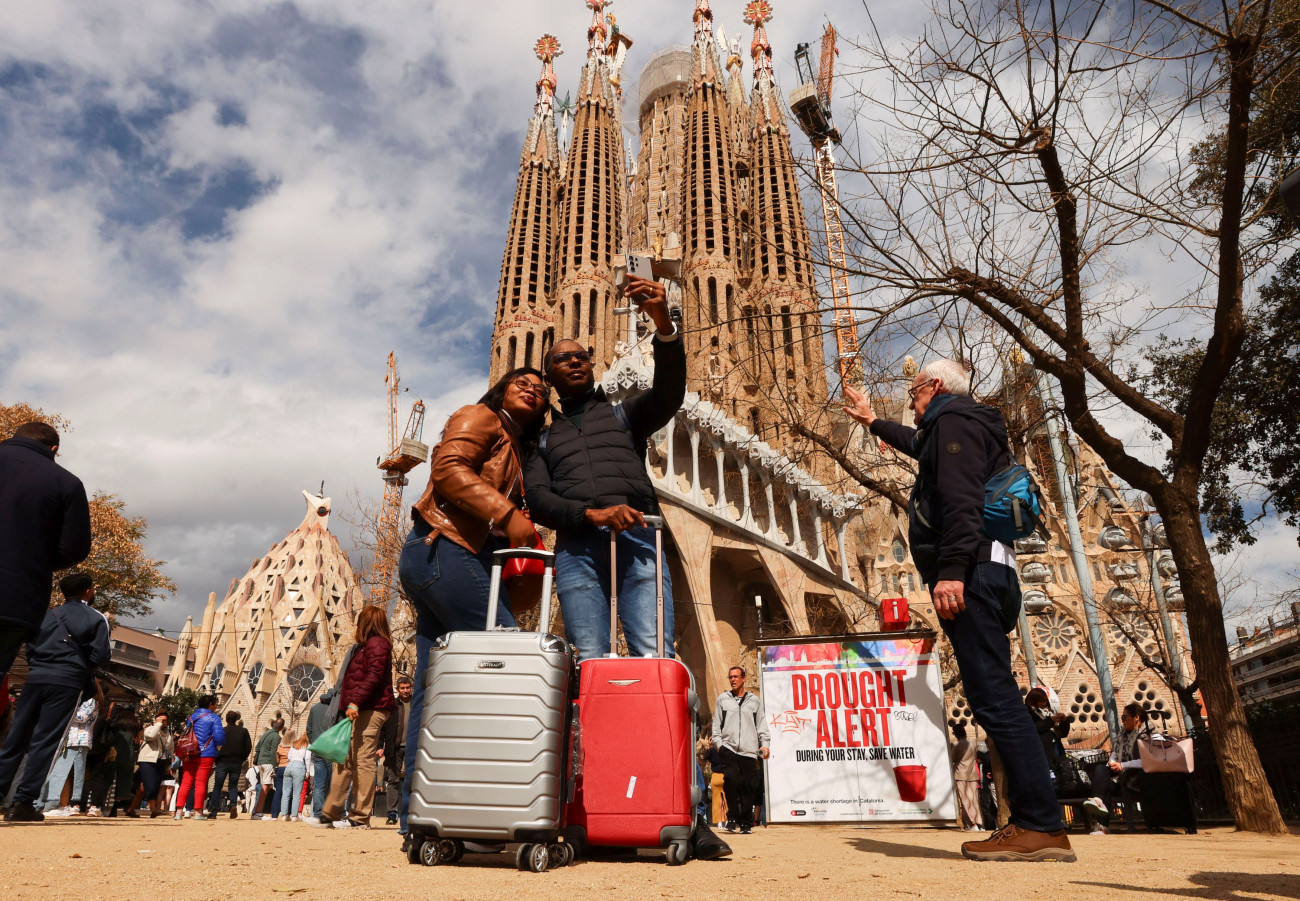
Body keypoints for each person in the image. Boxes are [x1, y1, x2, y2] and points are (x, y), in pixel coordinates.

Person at [522, 275, 730, 862]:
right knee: (589, 676)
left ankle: (685, 808)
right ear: (550, 376)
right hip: (580, 551)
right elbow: (538, 502)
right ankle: (586, 803)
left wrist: (664, 323)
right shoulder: (543, 442)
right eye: (564, 358)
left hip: (639, 539)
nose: (576, 362)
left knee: (657, 666)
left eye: (583, 356)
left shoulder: (620, 416)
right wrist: (588, 513)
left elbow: (668, 394)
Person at [844, 359, 1074, 863]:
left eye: (913, 390)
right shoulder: (958, 425)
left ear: (936, 386)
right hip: (987, 571)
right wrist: (872, 422)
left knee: (995, 699)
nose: (909, 399)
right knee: (993, 695)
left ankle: (1040, 824)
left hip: (971, 573)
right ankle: (1034, 822)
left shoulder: (954, 423)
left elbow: (961, 499)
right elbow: (924, 452)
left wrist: (950, 570)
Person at [396, 366, 550, 839]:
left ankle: (418, 817)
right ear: (500, 389)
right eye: (522, 382)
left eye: (542, 391)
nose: (533, 389)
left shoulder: (514, 446)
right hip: (445, 551)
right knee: (509, 663)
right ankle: (494, 806)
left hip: (437, 559)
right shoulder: (480, 416)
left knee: (434, 690)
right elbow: (446, 471)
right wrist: (507, 514)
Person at [0, 573, 110, 821]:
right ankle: (23, 802)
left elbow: (29, 647)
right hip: (68, 682)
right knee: (46, 742)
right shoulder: (96, 618)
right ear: (88, 592)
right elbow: (101, 655)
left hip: (36, 677)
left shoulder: (47, 615)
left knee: (16, 737)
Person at [0, 422, 92, 681]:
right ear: (53, 448)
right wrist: (33, 561)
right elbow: (74, 548)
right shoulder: (67, 483)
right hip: (14, 601)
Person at [315, 606, 394, 829]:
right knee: (345, 758)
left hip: (371, 708)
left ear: (365, 622)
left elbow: (374, 676)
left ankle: (360, 817)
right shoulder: (365, 646)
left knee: (363, 759)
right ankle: (330, 813)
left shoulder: (377, 644)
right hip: (361, 708)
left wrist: (355, 701)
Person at [712, 666, 769, 835]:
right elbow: (717, 725)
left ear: (744, 678)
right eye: (730, 677)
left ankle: (746, 823)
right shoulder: (723, 699)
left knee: (749, 785)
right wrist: (719, 744)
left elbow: (761, 724)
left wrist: (764, 744)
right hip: (728, 748)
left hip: (749, 750)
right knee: (731, 781)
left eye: (736, 677)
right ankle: (732, 819)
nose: (733, 680)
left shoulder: (754, 701)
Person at [1083, 703, 1152, 831]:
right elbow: (1115, 753)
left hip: (1138, 778)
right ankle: (1101, 821)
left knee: (1105, 784)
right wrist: (1113, 762)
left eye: (1125, 717)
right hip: (1122, 777)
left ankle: (1101, 823)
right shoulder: (1122, 735)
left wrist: (1122, 765)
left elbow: (1148, 761)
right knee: (1101, 771)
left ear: (1136, 718)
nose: (1123, 720)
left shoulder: (1148, 734)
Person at [40, 689, 100, 816]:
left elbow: (82, 718)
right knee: (62, 772)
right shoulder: (80, 700)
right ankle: (53, 803)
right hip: (68, 739)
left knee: (66, 773)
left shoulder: (91, 701)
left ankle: (57, 803)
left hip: (78, 740)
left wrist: (63, 710)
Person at [175, 694, 224, 821]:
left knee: (185, 781)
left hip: (190, 753)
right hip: (206, 753)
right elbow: (219, 737)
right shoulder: (214, 718)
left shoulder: (191, 718)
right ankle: (198, 812)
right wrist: (218, 748)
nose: (216, 706)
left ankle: (179, 811)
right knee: (201, 783)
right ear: (210, 705)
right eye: (215, 704)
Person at [87, 702, 141, 817]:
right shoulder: (137, 723)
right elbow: (138, 739)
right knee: (124, 783)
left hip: (113, 752)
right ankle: (117, 809)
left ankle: (100, 806)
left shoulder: (116, 721)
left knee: (106, 780)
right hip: (128, 755)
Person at [381, 675, 413, 826]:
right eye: (403, 688)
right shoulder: (392, 705)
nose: (405, 691)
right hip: (394, 748)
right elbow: (383, 727)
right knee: (393, 780)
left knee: (411, 780)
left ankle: (410, 812)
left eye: (408, 688)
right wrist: (380, 746)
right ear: (397, 689)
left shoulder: (417, 704)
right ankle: (392, 813)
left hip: (413, 748)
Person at [131, 712, 173, 818]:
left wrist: (168, 765)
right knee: (151, 784)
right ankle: (153, 809)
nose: (163, 722)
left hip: (160, 761)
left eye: (165, 720)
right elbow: (150, 736)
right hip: (147, 760)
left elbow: (170, 749)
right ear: (156, 720)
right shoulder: (150, 729)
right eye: (161, 719)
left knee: (144, 787)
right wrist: (157, 725)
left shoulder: (168, 732)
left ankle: (130, 809)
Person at [209, 710, 250, 818]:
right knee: (233, 785)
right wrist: (242, 758)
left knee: (218, 786)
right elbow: (248, 747)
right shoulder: (243, 731)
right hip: (236, 761)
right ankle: (233, 805)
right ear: (236, 719)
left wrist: (216, 759)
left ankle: (214, 811)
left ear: (226, 720)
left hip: (222, 761)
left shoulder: (221, 731)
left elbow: (214, 746)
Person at [306, 689, 337, 821]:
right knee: (331, 782)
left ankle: (318, 812)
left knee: (319, 783)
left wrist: (315, 743)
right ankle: (328, 812)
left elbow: (309, 729)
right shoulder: (335, 710)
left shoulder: (314, 709)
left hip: (318, 750)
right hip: (330, 750)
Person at [250, 714, 283, 820]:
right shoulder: (276, 736)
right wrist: (275, 766)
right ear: (281, 727)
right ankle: (258, 812)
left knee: (263, 785)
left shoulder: (266, 733)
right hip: (268, 763)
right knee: (266, 786)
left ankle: (257, 811)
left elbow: (257, 747)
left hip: (261, 762)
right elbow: (274, 751)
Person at [950, 723, 983, 831]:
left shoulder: (957, 745)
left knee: (965, 799)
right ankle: (979, 823)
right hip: (972, 773)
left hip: (960, 774)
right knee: (974, 799)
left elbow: (953, 758)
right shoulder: (973, 743)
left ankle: (973, 823)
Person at [280, 733, 310, 822]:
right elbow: (307, 758)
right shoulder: (307, 745)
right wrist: (307, 771)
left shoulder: (294, 744)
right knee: (297, 794)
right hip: (299, 766)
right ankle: (294, 816)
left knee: (285, 793)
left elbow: (289, 756)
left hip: (289, 766)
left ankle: (284, 815)